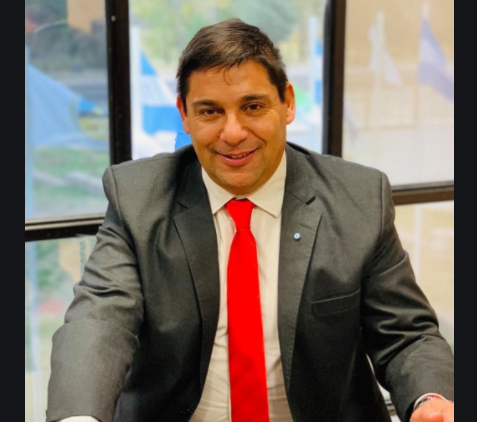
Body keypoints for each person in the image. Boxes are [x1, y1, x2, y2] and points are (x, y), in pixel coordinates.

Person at [47, 19, 454, 422]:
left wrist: (430, 401)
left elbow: (406, 334)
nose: (233, 133)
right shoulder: (139, 197)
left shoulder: (359, 199)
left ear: (288, 102)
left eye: (253, 107)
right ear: (184, 115)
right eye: (210, 111)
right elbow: (99, 320)